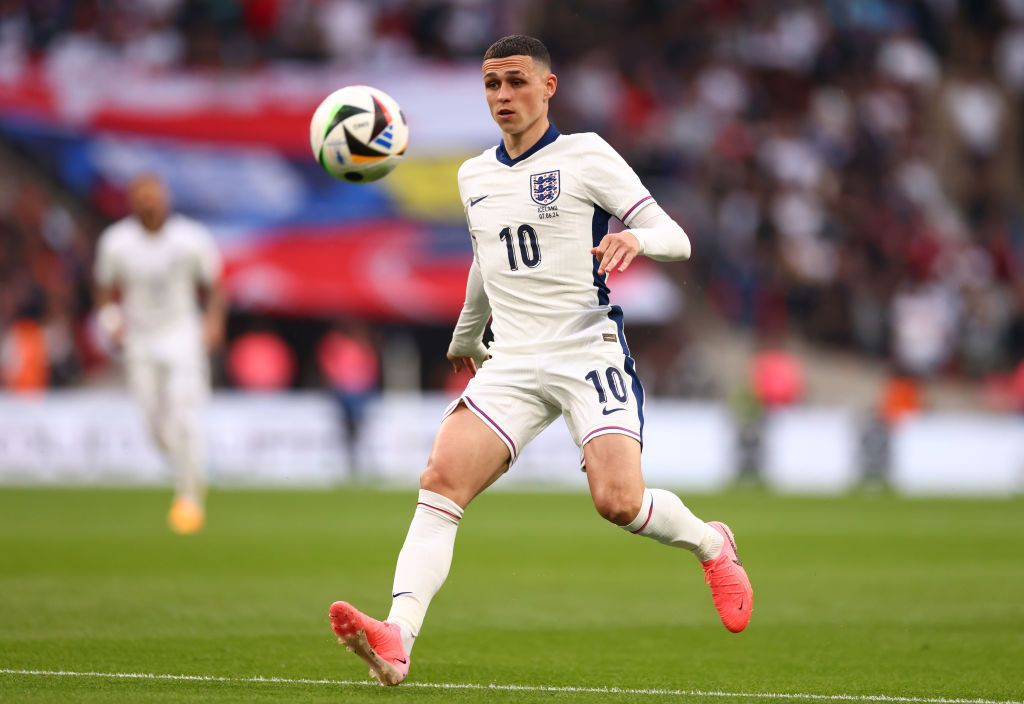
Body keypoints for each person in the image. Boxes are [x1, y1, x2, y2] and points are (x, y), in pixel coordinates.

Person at [328, 35, 753, 686]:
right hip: (515, 359)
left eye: (517, 82)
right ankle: (397, 638)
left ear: (548, 87)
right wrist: (469, 334)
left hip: (587, 347)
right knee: (441, 481)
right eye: (492, 84)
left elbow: (677, 237)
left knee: (617, 502)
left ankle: (711, 544)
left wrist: (634, 236)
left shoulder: (586, 156)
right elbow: (486, 260)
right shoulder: (474, 176)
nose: (503, 95)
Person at [93, 173, 226, 535]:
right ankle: (188, 465)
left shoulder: (191, 238)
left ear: (165, 199)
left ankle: (190, 495)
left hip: (182, 334)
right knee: (153, 423)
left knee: (185, 412)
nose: (149, 204)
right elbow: (103, 287)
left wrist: (213, 322)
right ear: (133, 202)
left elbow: (215, 286)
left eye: (154, 197)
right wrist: (109, 319)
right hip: (139, 339)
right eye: (142, 198)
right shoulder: (116, 242)